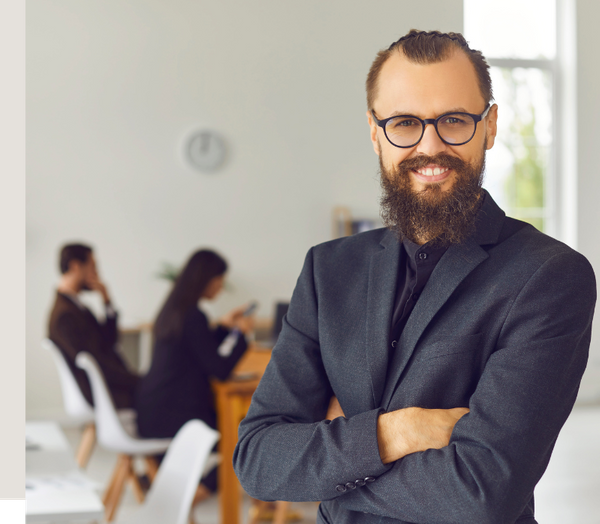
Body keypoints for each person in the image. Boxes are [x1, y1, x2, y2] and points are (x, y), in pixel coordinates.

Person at [233, 30, 597, 524]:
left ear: (489, 126)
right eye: (404, 123)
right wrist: (397, 433)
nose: (430, 146)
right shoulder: (328, 270)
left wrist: (330, 469)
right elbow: (257, 459)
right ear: (374, 130)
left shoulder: (548, 276)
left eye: (453, 121)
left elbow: (480, 492)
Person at [135, 248, 254, 496]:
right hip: (173, 417)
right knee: (245, 444)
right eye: (220, 279)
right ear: (207, 279)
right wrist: (242, 336)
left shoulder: (175, 310)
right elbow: (219, 369)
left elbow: (198, 351)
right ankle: (190, 501)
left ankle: (179, 494)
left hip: (153, 410)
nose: (221, 287)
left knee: (239, 438)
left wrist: (222, 326)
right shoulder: (193, 316)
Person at [48, 243, 139, 409]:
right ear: (75, 266)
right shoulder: (65, 315)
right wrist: (137, 380)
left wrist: (106, 300)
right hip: (102, 391)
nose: (97, 273)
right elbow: (97, 363)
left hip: (107, 384)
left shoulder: (76, 307)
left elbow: (110, 341)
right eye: (93, 266)